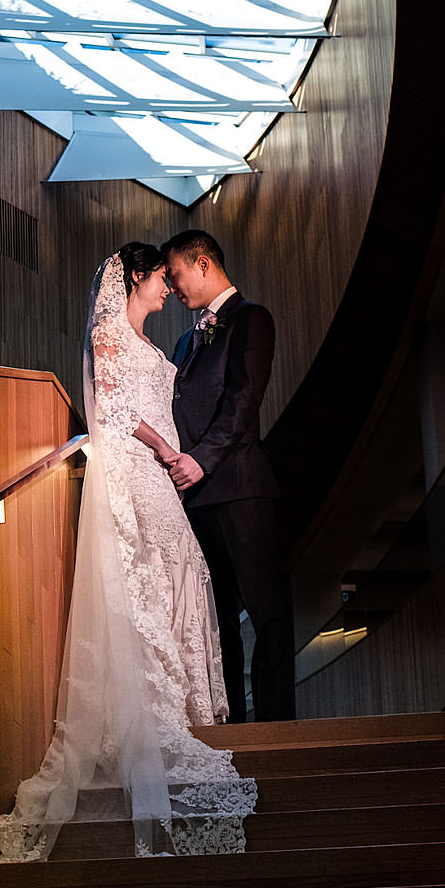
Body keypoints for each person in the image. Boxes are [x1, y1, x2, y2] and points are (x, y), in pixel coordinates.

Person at [0, 244, 257, 863]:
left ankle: (184, 705)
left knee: (179, 574)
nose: (168, 289)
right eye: (162, 278)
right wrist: (166, 451)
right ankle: (150, 710)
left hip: (160, 479)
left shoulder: (159, 348)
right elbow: (116, 411)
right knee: (148, 581)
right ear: (135, 276)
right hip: (138, 473)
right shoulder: (110, 332)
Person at [163, 229, 294, 723]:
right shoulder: (184, 339)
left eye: (175, 275)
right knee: (217, 623)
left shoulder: (250, 318)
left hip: (241, 489)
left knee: (268, 613)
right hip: (195, 499)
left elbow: (243, 403)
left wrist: (201, 459)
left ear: (202, 264)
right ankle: (234, 724)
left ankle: (278, 727)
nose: (173, 288)